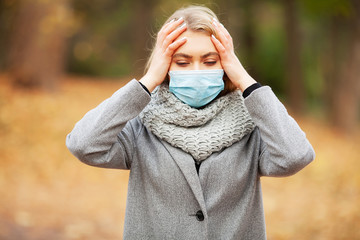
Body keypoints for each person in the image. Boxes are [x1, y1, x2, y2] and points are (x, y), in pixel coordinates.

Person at [66, 5, 315, 239]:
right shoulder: (141, 125)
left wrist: (243, 78)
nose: (196, 70)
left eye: (210, 61)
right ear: (166, 65)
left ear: (225, 64)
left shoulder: (252, 125)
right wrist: (149, 79)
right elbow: (83, 144)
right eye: (182, 62)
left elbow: (295, 156)